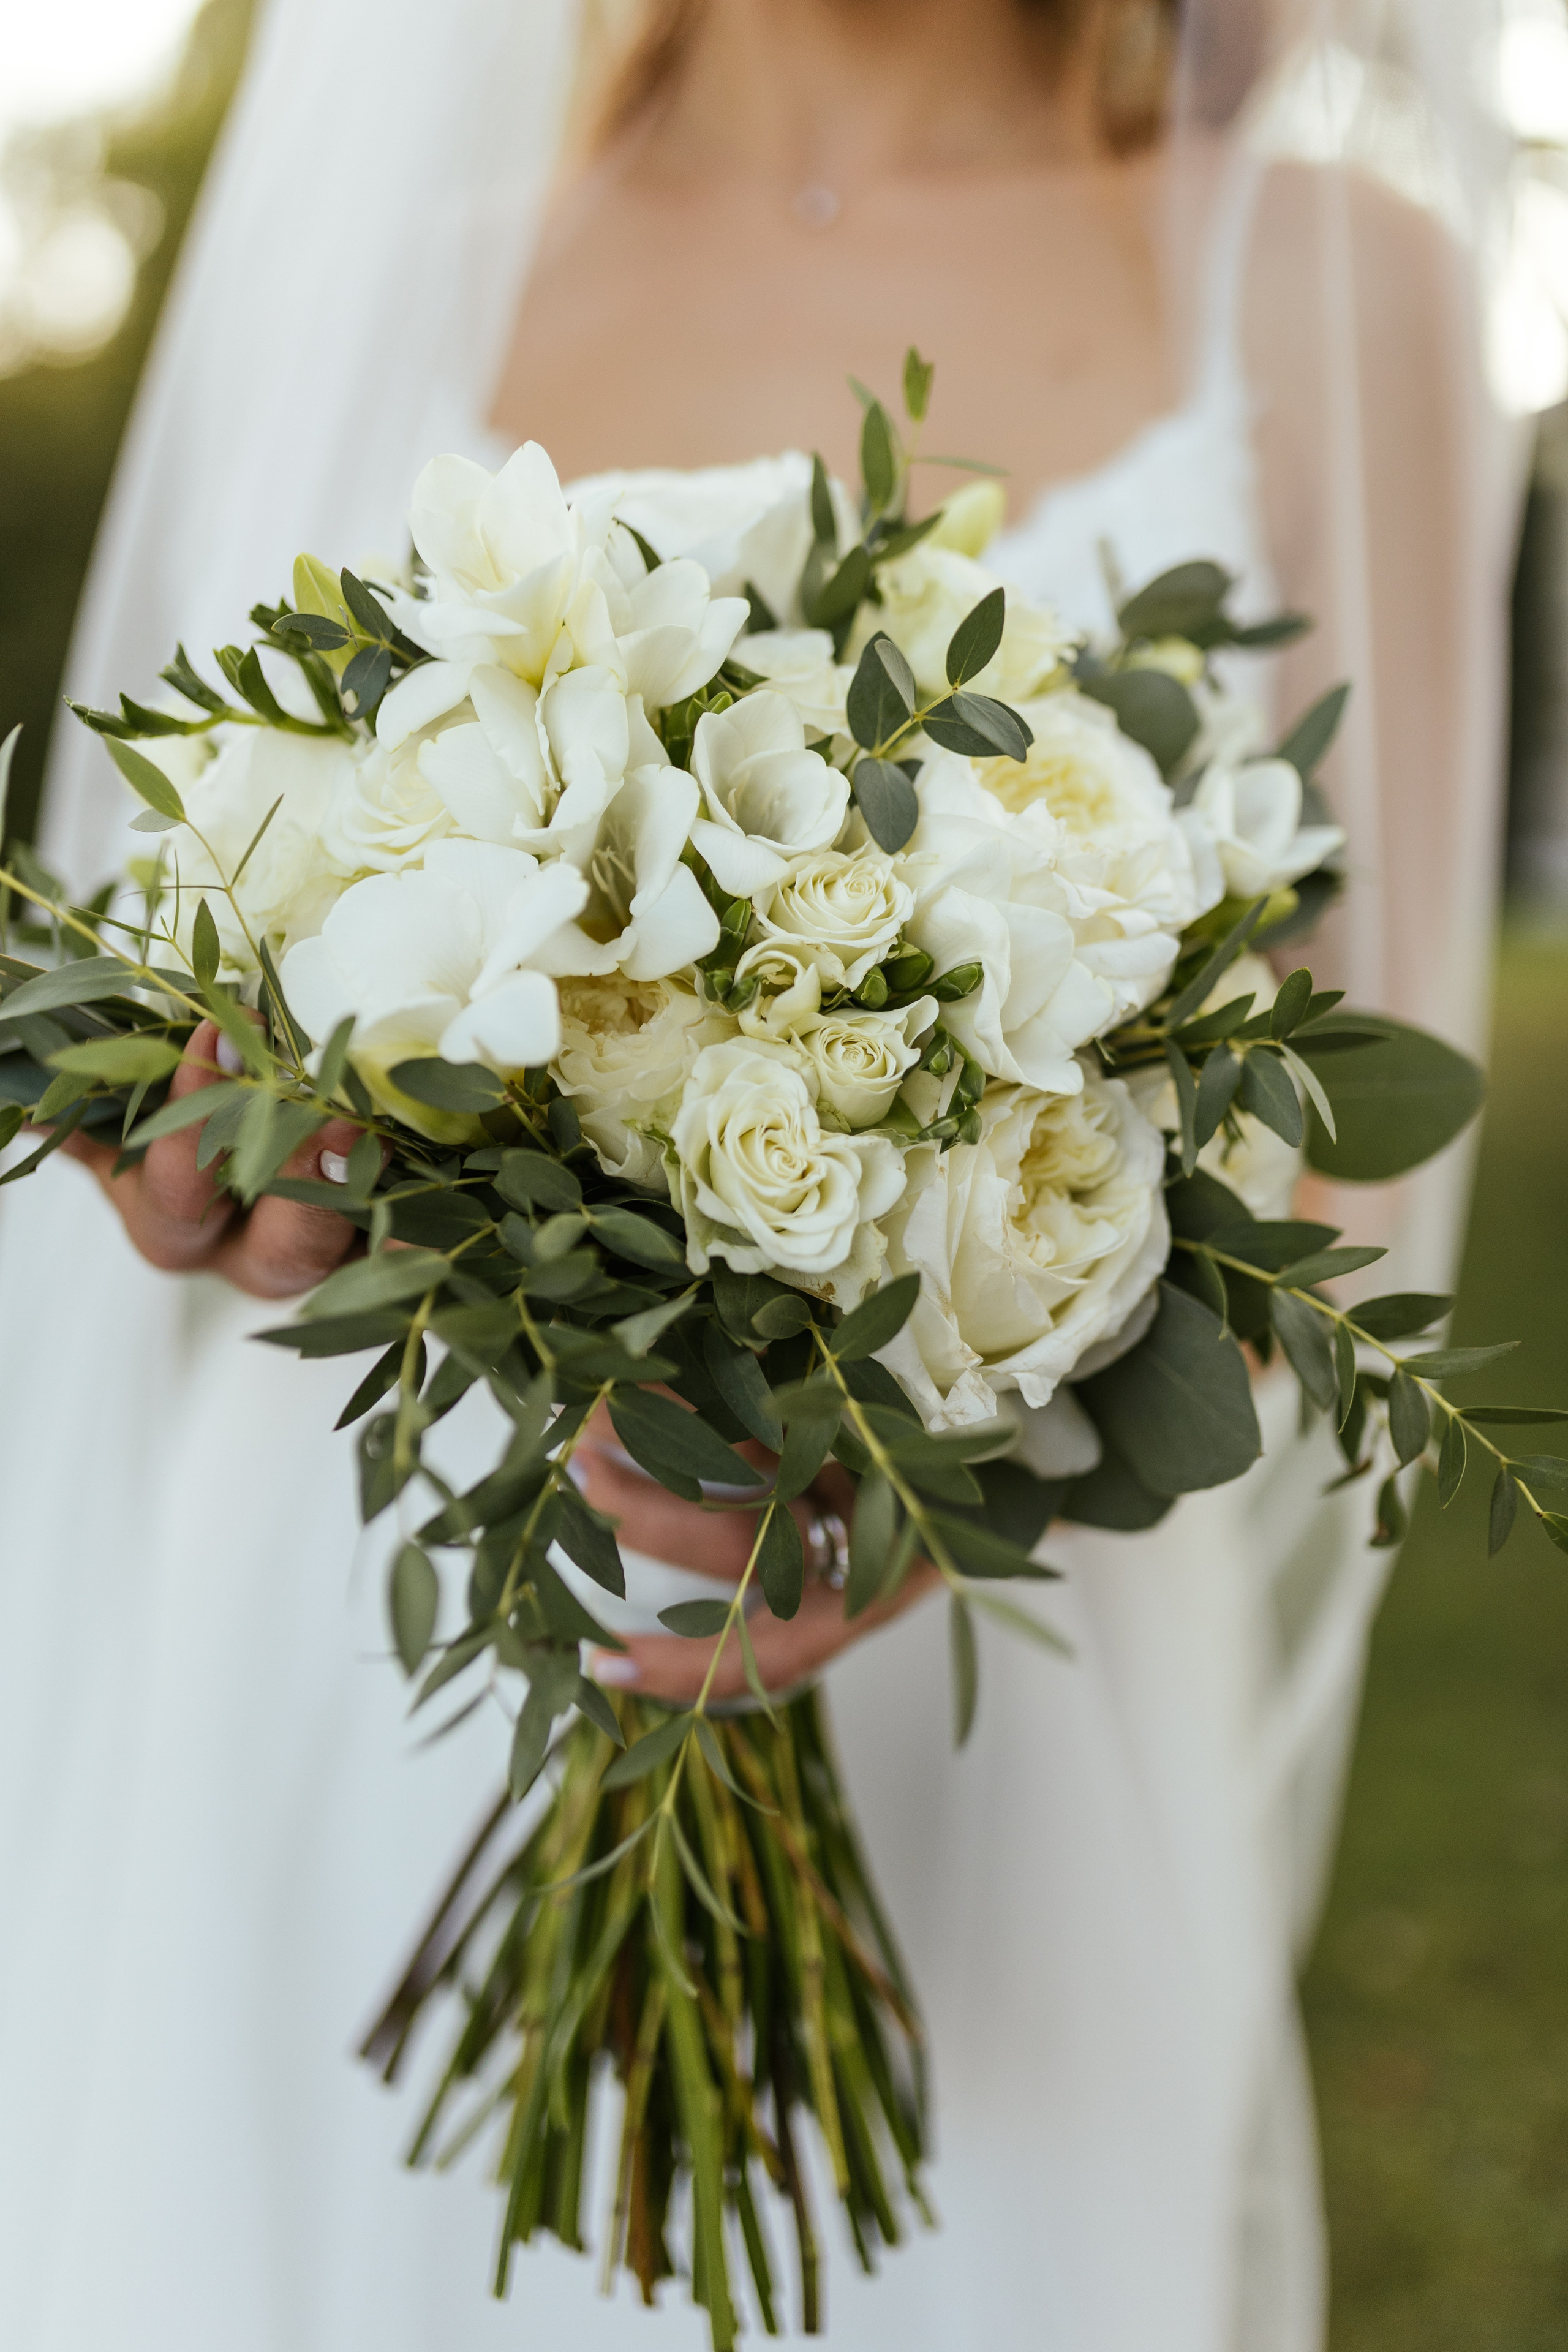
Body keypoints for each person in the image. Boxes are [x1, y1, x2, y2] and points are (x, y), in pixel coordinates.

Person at [0, 2, 1517, 2347]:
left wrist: (964, 1458)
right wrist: (225, 1167)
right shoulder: (376, 273)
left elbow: (1365, 1134)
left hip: (989, 1726)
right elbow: (227, 943)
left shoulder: (1338, 279)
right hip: (360, 1632)